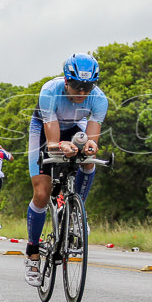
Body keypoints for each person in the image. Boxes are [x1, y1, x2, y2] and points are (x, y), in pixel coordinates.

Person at [23, 53, 107, 287]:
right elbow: (52, 143)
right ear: (66, 81)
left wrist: (90, 145)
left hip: (73, 128)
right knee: (42, 193)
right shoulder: (50, 91)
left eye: (88, 87)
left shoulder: (99, 99)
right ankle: (32, 253)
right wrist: (59, 146)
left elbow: (92, 137)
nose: (82, 93)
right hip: (44, 130)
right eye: (77, 86)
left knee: (89, 159)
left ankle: (76, 212)